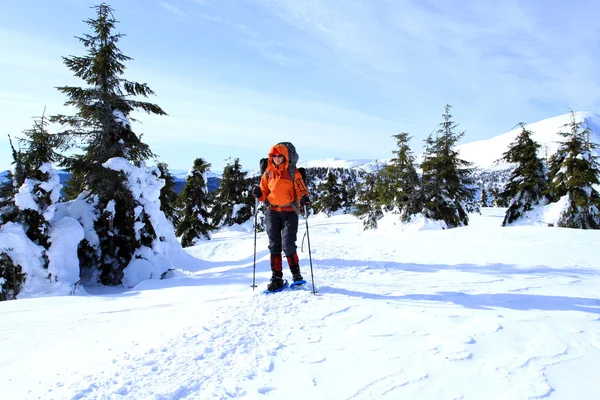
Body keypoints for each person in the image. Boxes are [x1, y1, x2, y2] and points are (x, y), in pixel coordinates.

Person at [252, 143, 311, 292]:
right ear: (271, 157)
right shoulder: (267, 173)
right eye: (274, 156)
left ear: (285, 157)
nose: (277, 158)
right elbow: (264, 192)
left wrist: (304, 198)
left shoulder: (293, 172)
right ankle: (276, 277)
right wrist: (259, 194)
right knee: (274, 245)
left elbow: (301, 189)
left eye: (280, 156)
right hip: (272, 212)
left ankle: (296, 276)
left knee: (288, 244)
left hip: (290, 212)